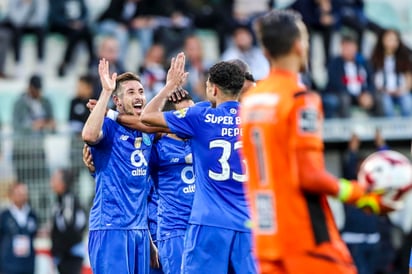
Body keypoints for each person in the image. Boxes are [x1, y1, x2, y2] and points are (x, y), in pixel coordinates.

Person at [239, 9, 396, 274]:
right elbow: (309, 175)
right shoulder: (302, 99)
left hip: (266, 237)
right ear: (300, 46)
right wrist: (360, 194)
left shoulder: (251, 101)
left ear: (265, 51)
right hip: (304, 234)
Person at [140, 55, 258, 273]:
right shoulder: (255, 119)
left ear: (213, 89)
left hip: (209, 222)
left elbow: (146, 117)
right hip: (247, 223)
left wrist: (169, 87)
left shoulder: (201, 116)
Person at [81, 58, 175, 273]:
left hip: (140, 231)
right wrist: (105, 91)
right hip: (111, 227)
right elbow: (89, 135)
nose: (139, 96)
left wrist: (149, 239)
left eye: (141, 91)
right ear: (118, 101)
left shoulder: (147, 132)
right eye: (131, 92)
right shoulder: (109, 126)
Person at [12, 74, 55, 224]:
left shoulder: (45, 102)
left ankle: (43, 220)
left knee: (43, 187)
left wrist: (43, 124)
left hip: (39, 152)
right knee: (24, 188)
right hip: (22, 152)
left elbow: (52, 123)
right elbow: (17, 126)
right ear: (30, 87)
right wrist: (36, 125)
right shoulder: (20, 103)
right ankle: (26, 221)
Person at [322, 32, 380, 118]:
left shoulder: (363, 62)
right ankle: (346, 129)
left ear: (356, 47)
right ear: (341, 47)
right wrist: (357, 97)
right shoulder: (334, 63)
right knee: (344, 99)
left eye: (351, 47)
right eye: (346, 47)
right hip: (343, 95)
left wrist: (368, 94)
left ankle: (380, 129)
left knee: (380, 99)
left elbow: (371, 81)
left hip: (362, 95)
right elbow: (336, 85)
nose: (349, 50)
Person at [50, 168, 87, 274]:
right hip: (63, 255)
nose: (51, 182)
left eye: (55, 179)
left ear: (63, 183)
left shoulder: (68, 200)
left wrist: (61, 250)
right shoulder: (59, 199)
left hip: (70, 255)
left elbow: (69, 226)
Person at [370, 28, 412, 117]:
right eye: (389, 39)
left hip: (401, 91)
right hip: (383, 92)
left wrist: (403, 90)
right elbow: (372, 77)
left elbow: (408, 77)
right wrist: (381, 89)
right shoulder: (375, 57)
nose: (391, 42)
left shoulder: (404, 57)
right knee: (386, 106)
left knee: (408, 103)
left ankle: (406, 130)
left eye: (394, 40)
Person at [48, 0, 95, 77]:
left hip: (79, 25)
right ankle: (66, 62)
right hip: (63, 26)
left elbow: (86, 12)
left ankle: (92, 60)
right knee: (75, 33)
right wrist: (69, 24)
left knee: (88, 32)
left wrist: (81, 22)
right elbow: (54, 16)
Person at [0, 182, 38, 274]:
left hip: (27, 265)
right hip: (8, 265)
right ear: (11, 195)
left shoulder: (32, 215)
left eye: (24, 193)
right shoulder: (4, 216)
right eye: (18, 193)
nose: (21, 196)